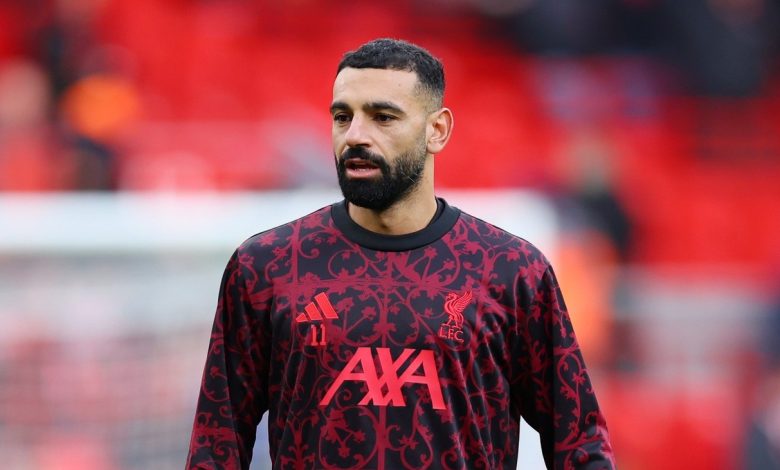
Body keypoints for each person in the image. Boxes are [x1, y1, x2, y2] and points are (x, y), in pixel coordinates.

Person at [186, 38, 615, 470]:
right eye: (342, 117)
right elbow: (216, 444)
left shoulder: (512, 270)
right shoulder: (267, 265)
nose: (355, 136)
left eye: (383, 117)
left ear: (437, 130)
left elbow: (580, 444)